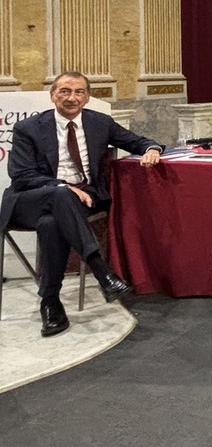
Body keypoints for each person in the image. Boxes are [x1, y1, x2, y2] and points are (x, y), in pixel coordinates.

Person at [0, 72, 163, 337]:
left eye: (79, 92)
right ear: (53, 95)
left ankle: (50, 302)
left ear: (87, 97)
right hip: (30, 199)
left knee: (52, 223)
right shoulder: (28, 128)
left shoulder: (100, 123)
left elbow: (137, 141)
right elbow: (22, 176)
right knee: (60, 195)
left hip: (78, 201)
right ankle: (102, 270)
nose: (72, 98)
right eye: (64, 91)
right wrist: (64, 187)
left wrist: (152, 149)